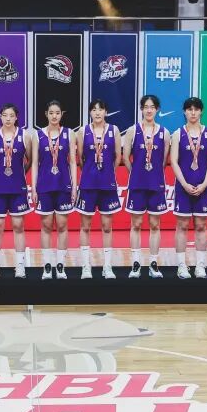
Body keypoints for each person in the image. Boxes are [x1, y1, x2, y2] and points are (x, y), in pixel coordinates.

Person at [171, 97, 207, 279]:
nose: (193, 112)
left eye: (196, 109)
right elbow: (174, 161)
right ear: (184, 112)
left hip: (203, 185)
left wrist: (205, 184)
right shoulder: (178, 133)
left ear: (201, 111)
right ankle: (181, 265)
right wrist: (184, 183)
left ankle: (200, 265)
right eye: (189, 109)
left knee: (201, 225)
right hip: (183, 185)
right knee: (182, 225)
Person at [123, 94, 168, 279]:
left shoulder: (164, 132)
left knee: (155, 225)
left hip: (156, 184)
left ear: (157, 110)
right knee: (136, 224)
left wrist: (153, 172)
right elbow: (126, 158)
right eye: (146, 107)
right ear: (141, 109)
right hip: (137, 184)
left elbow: (163, 160)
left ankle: (154, 264)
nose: (149, 110)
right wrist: (136, 173)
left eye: (152, 107)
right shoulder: (132, 131)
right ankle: (135, 264)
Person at [76, 98, 122, 279]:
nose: (97, 112)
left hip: (107, 185)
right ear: (90, 112)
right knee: (85, 226)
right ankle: (86, 266)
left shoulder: (114, 130)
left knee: (107, 226)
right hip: (88, 185)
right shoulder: (83, 131)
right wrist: (90, 172)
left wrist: (108, 172)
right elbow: (80, 158)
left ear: (106, 112)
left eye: (100, 109)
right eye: (94, 109)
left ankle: (107, 266)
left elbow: (118, 157)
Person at [0, 103, 32, 279]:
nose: (8, 118)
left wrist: (19, 174)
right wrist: (0, 172)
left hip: (18, 188)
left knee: (18, 226)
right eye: (5, 115)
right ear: (0, 117)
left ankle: (20, 265)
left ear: (16, 117)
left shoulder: (24, 135)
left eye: (11, 115)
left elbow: (29, 160)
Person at [32, 100, 76, 280]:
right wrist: (33, 188)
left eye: (57, 113)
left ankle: (60, 265)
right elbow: (34, 163)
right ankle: (47, 265)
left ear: (62, 114)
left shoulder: (69, 133)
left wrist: (74, 186)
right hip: (44, 185)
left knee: (63, 225)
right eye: (51, 113)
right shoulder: (38, 135)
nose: (54, 116)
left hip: (63, 184)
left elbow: (72, 162)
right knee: (46, 226)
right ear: (46, 114)